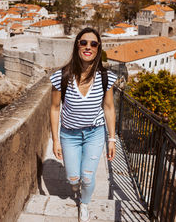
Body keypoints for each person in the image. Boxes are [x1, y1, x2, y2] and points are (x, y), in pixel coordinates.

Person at [49, 27, 117, 222]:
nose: (88, 47)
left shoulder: (105, 78)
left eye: (93, 44)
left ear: (98, 49)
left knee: (87, 177)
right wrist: (55, 140)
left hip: (95, 133)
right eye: (84, 42)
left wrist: (111, 139)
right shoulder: (61, 77)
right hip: (69, 135)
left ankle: (85, 204)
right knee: (73, 178)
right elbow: (54, 108)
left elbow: (109, 108)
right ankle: (76, 186)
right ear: (77, 46)